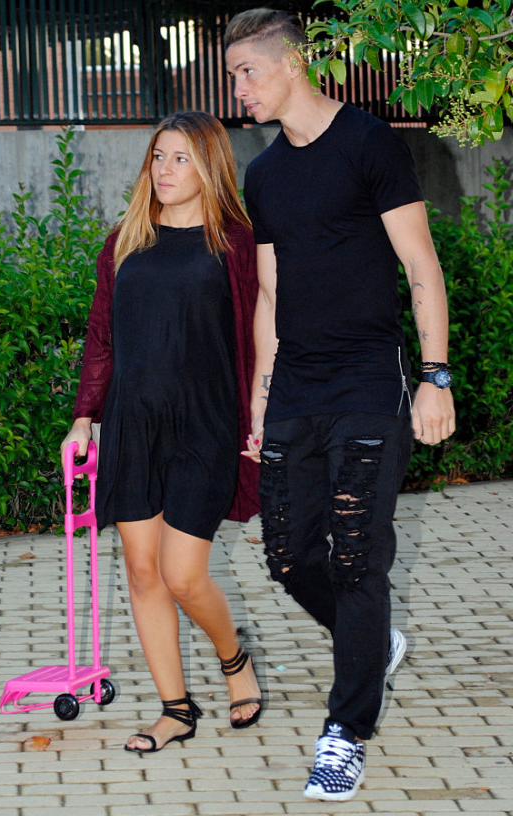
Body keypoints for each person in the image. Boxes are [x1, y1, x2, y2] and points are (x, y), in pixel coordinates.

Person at [225, 9, 455, 802]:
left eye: (247, 72)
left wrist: (436, 376)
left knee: (356, 553)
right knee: (288, 554)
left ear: (291, 64)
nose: (239, 90)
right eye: (234, 76)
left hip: (366, 379)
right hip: (296, 385)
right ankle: (372, 642)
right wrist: (261, 400)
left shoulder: (368, 143)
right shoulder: (264, 175)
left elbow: (420, 264)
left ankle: (346, 729)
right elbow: (270, 294)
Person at [61, 111, 263, 754]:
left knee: (183, 574)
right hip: (133, 423)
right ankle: (175, 710)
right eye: (158, 156)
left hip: (207, 424)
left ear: (210, 167)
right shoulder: (126, 241)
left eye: (181, 158)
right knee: (143, 572)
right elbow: (101, 337)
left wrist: (263, 416)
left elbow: (264, 336)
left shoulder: (237, 244)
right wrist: (84, 418)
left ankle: (234, 658)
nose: (165, 170)